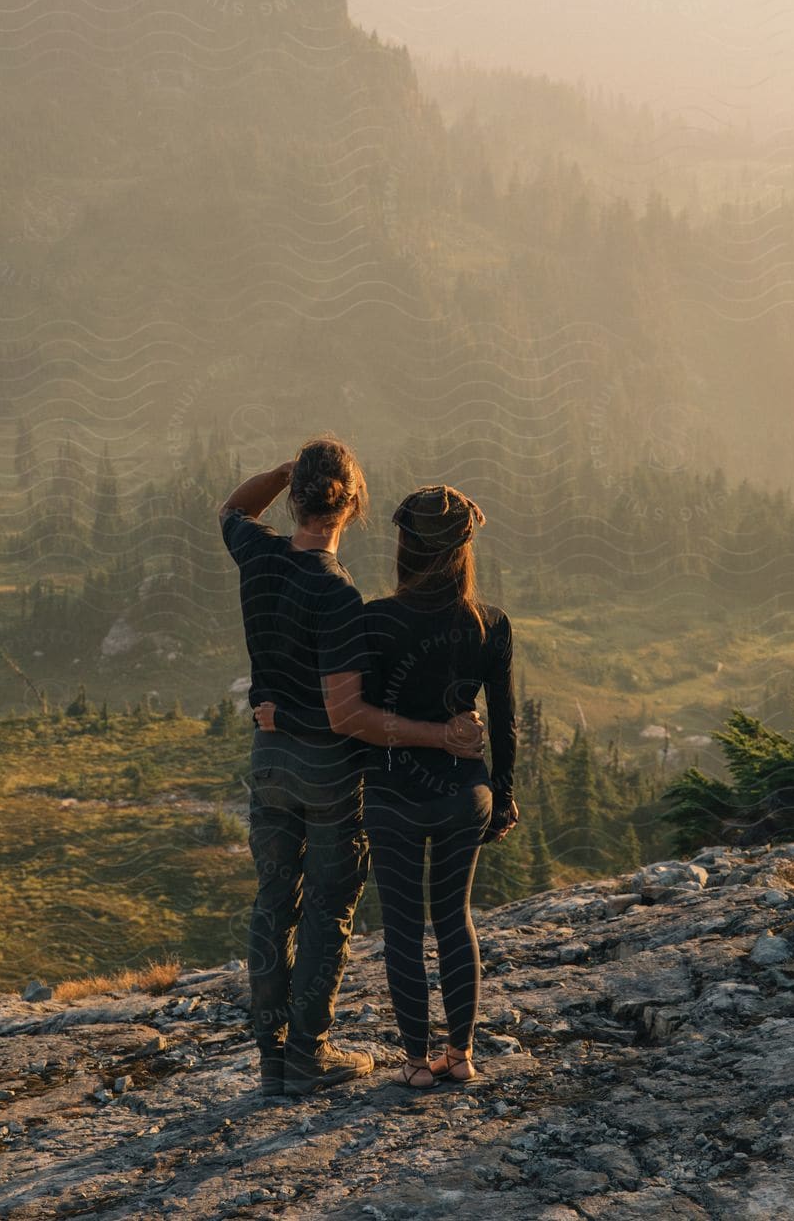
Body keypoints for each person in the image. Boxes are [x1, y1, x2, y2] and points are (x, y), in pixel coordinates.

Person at [220, 440, 486, 1101]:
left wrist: (285, 472)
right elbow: (349, 717)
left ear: (295, 499)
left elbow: (231, 507)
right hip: (328, 770)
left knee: (273, 898)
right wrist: (440, 737)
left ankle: (271, 1057)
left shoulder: (258, 555)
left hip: (270, 758)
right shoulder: (336, 592)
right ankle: (308, 1052)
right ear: (354, 506)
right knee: (329, 906)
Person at [322, 484, 518, 1091]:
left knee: (403, 928)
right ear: (464, 552)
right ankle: (460, 1055)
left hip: (391, 795)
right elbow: (506, 723)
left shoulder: (374, 619)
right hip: (465, 794)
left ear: (405, 546)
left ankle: (413, 1063)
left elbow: (364, 719)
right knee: (455, 917)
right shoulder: (490, 624)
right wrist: (504, 794)